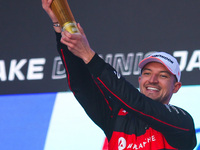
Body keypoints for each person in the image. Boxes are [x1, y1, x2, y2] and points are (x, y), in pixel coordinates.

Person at [42, 0, 197, 149]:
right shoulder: (116, 117)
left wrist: (89, 55)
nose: (153, 80)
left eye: (163, 75)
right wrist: (61, 26)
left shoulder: (182, 123)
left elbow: (137, 104)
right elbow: (81, 85)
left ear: (176, 87)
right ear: (140, 79)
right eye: (147, 73)